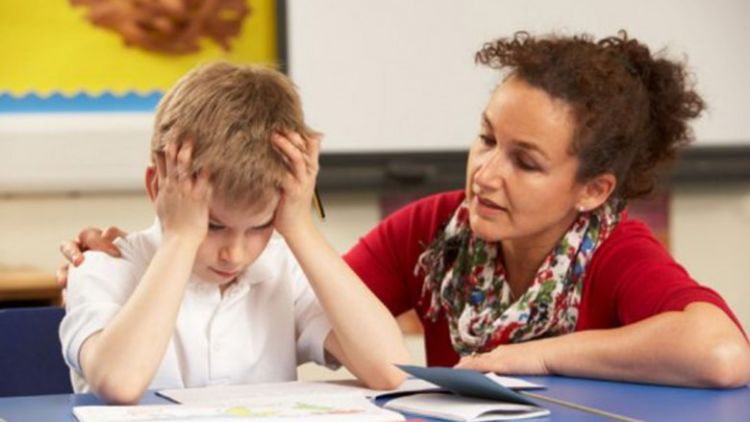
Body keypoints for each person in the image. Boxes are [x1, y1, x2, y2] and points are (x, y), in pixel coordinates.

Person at [59, 31, 750, 388]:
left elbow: (720, 351)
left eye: (525, 161)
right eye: (485, 139)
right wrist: (175, 244)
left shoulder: (614, 250)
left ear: (592, 189)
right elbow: (329, 305)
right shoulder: (433, 230)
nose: (485, 173)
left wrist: (530, 358)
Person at [58, 62, 408, 404]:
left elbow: (392, 372)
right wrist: (182, 238)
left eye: (259, 226)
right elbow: (120, 383)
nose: (234, 254)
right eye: (212, 226)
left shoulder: (283, 270)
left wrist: (300, 228)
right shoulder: (103, 266)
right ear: (158, 187)